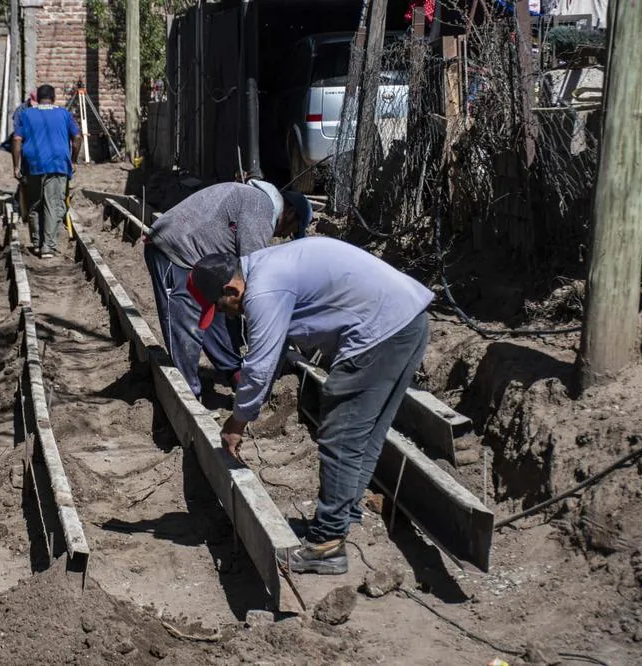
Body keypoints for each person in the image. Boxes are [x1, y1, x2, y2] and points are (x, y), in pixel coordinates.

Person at [187, 237, 433, 575]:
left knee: (340, 434)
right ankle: (340, 518)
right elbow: (270, 355)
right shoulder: (267, 268)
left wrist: (237, 422)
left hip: (380, 329)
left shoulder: (263, 290)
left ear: (232, 289)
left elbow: (258, 367)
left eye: (223, 307)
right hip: (407, 321)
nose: (229, 315)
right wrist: (246, 411)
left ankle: (326, 545)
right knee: (365, 432)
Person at [144, 179, 313, 400]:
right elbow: (255, 280)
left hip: (194, 254)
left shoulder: (255, 202)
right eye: (290, 231)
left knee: (218, 313)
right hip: (176, 252)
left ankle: (234, 373)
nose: (281, 237)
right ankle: (188, 400)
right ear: (289, 214)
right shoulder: (261, 209)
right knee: (186, 328)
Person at [12, 84, 81, 259]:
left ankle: (36, 243)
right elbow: (77, 138)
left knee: (35, 203)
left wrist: (16, 165)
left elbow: (17, 139)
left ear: (37, 97)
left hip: (33, 164)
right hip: (58, 165)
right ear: (53, 97)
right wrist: (73, 160)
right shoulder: (64, 113)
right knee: (53, 205)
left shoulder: (26, 114)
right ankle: (48, 247)